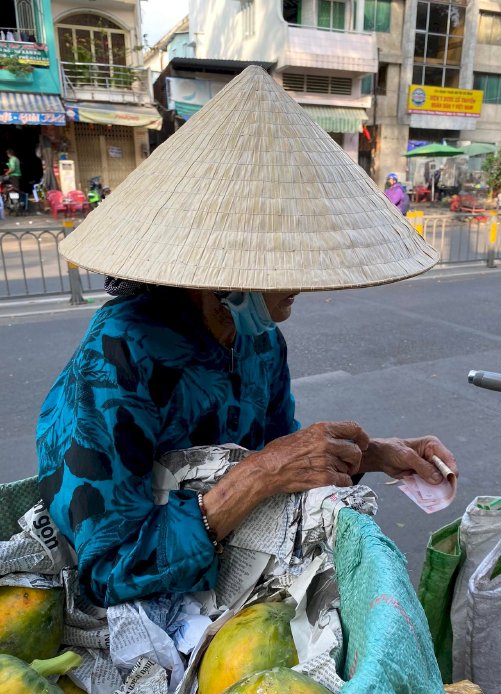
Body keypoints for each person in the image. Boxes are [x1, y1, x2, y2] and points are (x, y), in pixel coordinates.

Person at [38, 66, 457, 609]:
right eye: (283, 265)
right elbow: (109, 568)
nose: (302, 285)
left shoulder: (260, 343)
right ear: (221, 274)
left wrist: (375, 454)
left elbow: (279, 451)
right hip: (131, 599)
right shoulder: (119, 354)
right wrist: (257, 477)